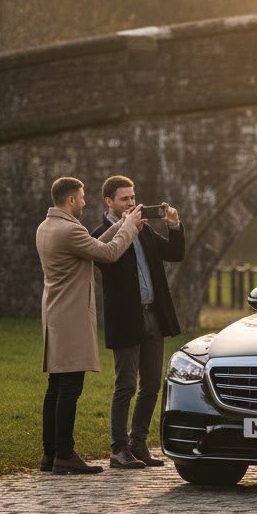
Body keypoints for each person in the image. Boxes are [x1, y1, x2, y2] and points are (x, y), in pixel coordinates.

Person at [36, 176, 142, 475]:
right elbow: (108, 254)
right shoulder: (70, 230)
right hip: (71, 317)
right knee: (70, 387)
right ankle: (65, 454)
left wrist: (121, 225)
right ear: (71, 200)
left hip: (55, 314)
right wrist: (129, 228)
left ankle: (49, 453)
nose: (84, 202)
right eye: (82, 197)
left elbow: (94, 245)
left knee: (56, 386)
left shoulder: (47, 226)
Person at [92, 175, 185, 468]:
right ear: (109, 201)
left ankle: (138, 443)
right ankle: (118, 449)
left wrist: (173, 225)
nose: (131, 203)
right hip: (125, 319)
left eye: (132, 198)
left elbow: (175, 254)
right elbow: (104, 260)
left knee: (153, 383)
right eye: (124, 199)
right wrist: (126, 228)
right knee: (126, 385)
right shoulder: (100, 235)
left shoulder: (145, 230)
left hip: (153, 316)